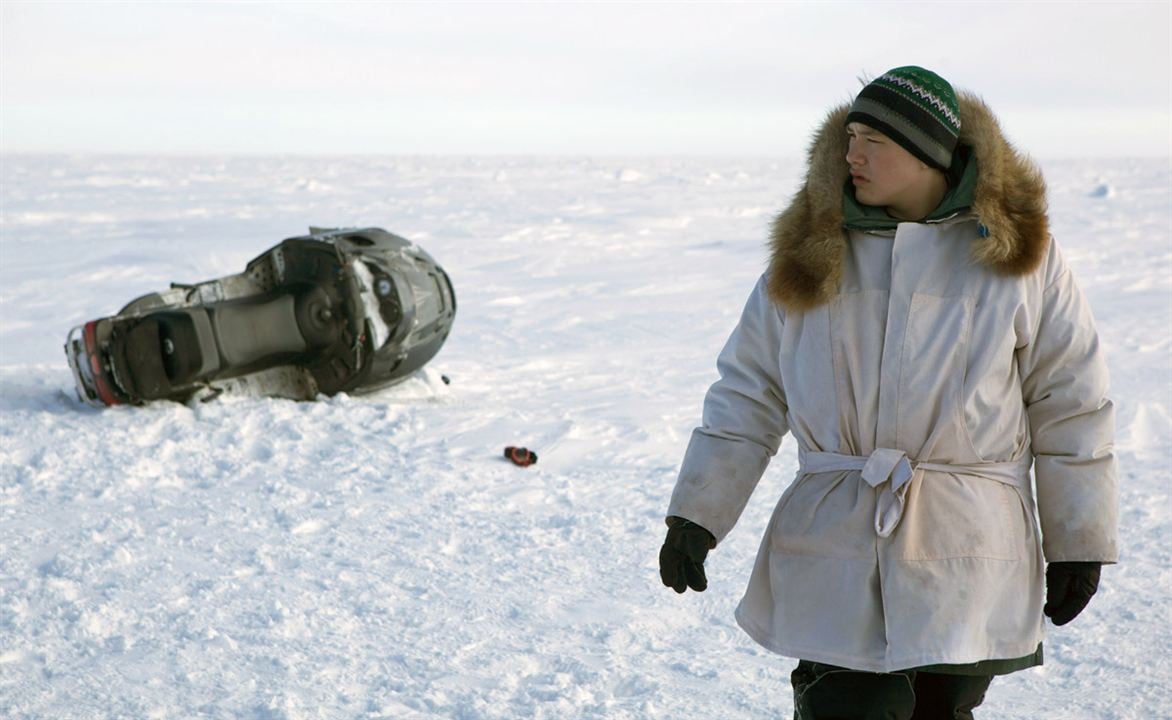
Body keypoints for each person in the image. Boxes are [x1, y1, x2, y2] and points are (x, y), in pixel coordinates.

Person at [658, 66, 1118, 719]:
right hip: (836, 543)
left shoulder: (1020, 256)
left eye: (874, 138)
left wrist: (1079, 539)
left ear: (929, 152)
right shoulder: (810, 251)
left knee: (943, 710)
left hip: (966, 547)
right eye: (850, 136)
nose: (853, 154)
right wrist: (697, 513)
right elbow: (749, 391)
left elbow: (1071, 401)